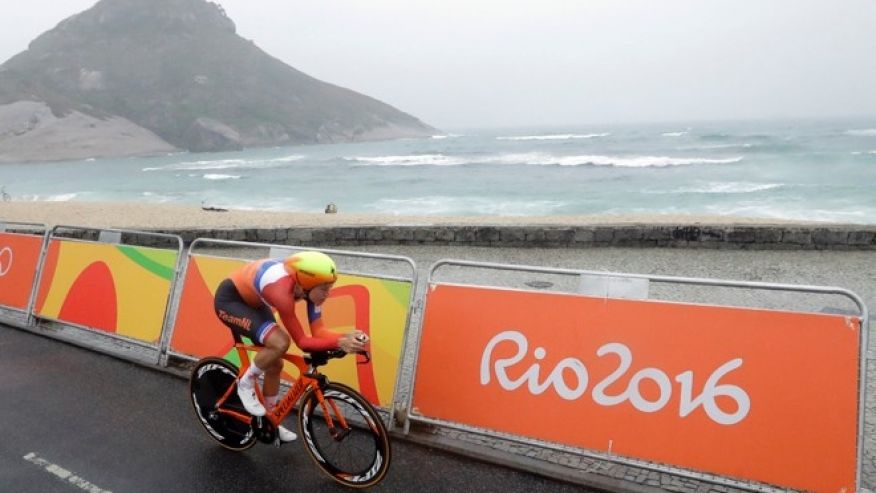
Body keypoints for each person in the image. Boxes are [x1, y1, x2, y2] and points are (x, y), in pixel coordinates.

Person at [213, 250, 367, 442]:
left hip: (255, 303)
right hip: (230, 301)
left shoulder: (308, 289)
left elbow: (319, 332)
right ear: (307, 285)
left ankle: (269, 420)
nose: (328, 293)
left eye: (330, 287)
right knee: (280, 342)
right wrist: (339, 342)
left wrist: (347, 337)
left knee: (275, 364)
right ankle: (245, 383)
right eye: (325, 288)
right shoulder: (281, 292)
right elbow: (302, 342)